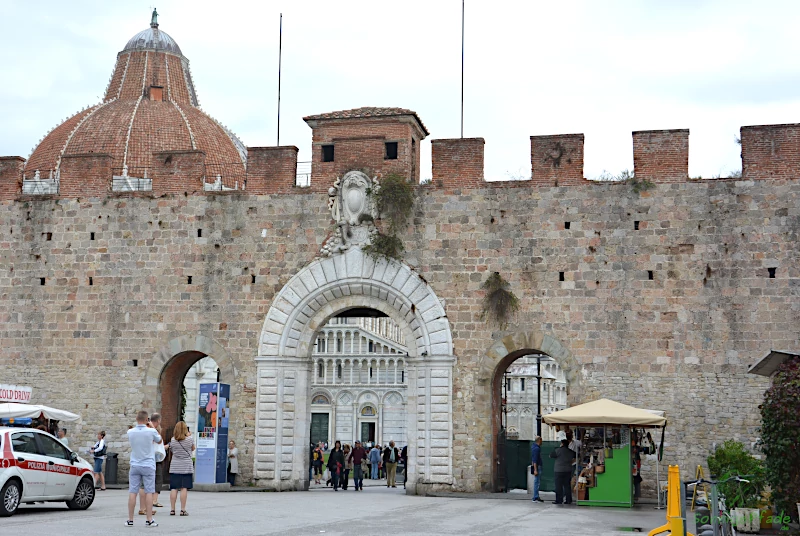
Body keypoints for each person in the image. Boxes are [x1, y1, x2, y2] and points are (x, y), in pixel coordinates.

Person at [126, 411, 161, 527]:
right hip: (148, 464)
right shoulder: (151, 431)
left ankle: (130, 519)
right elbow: (159, 440)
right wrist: (151, 426)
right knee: (149, 491)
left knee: (133, 491)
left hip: (135, 464)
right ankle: (149, 519)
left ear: (136, 418)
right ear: (147, 419)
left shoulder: (130, 432)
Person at [168, 420, 195, 516]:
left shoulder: (173, 440)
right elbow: (193, 448)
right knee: (184, 488)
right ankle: (183, 509)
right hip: (186, 466)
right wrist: (189, 436)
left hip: (175, 465)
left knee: (174, 488)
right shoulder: (189, 439)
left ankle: (172, 509)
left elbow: (172, 450)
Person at [549, 438, 576, 505]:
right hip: (568, 470)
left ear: (562, 444)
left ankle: (559, 500)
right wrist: (571, 462)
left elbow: (550, 455)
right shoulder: (571, 452)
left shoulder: (558, 450)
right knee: (567, 486)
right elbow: (577, 456)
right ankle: (568, 500)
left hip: (558, 471)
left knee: (558, 486)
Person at [530, 436, 544, 503]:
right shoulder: (536, 449)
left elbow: (533, 459)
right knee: (537, 482)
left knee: (537, 482)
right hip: (538, 467)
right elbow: (535, 460)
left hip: (536, 466)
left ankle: (536, 496)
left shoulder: (534, 447)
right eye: (541, 440)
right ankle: (535, 497)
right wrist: (535, 469)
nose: (542, 441)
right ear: (539, 440)